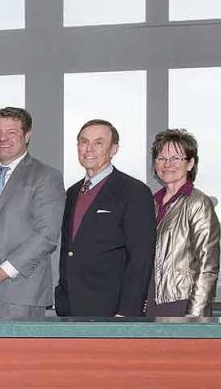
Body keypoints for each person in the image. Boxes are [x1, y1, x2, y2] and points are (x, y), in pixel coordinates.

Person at [0, 107, 64, 318]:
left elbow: (46, 235)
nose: (2, 138)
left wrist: (2, 272)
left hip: (20, 293)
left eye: (11, 132)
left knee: (18, 353)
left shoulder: (46, 177)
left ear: (27, 135)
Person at [56, 119, 156, 317]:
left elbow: (141, 258)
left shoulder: (134, 192)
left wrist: (127, 311)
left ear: (113, 149)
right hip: (69, 306)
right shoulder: (73, 192)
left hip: (111, 309)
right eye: (84, 142)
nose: (89, 149)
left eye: (98, 143)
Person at [148, 129, 220, 317]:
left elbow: (208, 266)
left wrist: (196, 315)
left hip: (181, 302)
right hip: (149, 301)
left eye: (175, 158)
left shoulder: (198, 203)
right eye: (161, 158)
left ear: (190, 163)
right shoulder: (150, 203)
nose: (167, 164)